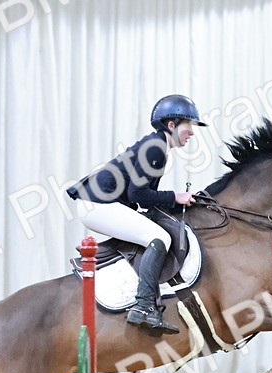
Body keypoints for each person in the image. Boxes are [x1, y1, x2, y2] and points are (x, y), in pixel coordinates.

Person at [67, 94, 207, 335]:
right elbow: (138, 195)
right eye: (188, 126)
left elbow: (143, 197)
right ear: (171, 125)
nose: (192, 133)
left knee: (154, 231)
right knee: (159, 238)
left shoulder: (157, 146)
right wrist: (175, 196)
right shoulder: (156, 149)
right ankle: (143, 306)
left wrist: (178, 202)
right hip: (97, 205)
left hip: (101, 203)